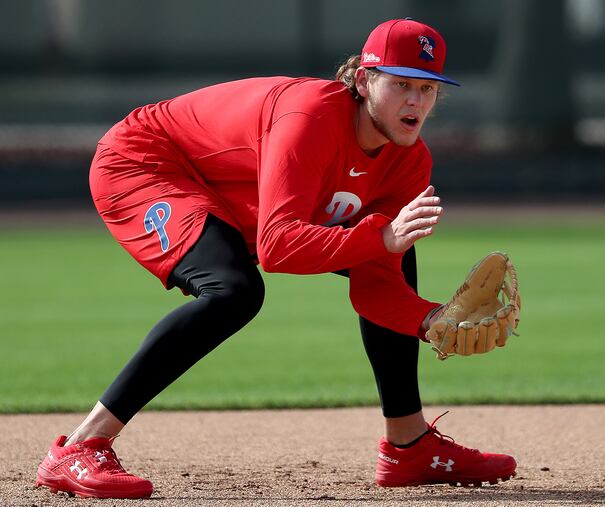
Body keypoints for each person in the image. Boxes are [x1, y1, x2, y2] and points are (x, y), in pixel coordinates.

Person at [35, 18, 517, 499]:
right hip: (145, 163)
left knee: (392, 256)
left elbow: (377, 283)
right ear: (365, 80)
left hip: (228, 184)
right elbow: (279, 247)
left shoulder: (409, 161)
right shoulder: (311, 118)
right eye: (401, 85)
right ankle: (80, 446)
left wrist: (428, 319)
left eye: (428, 88)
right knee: (234, 291)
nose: (416, 101)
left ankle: (408, 446)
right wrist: (379, 237)